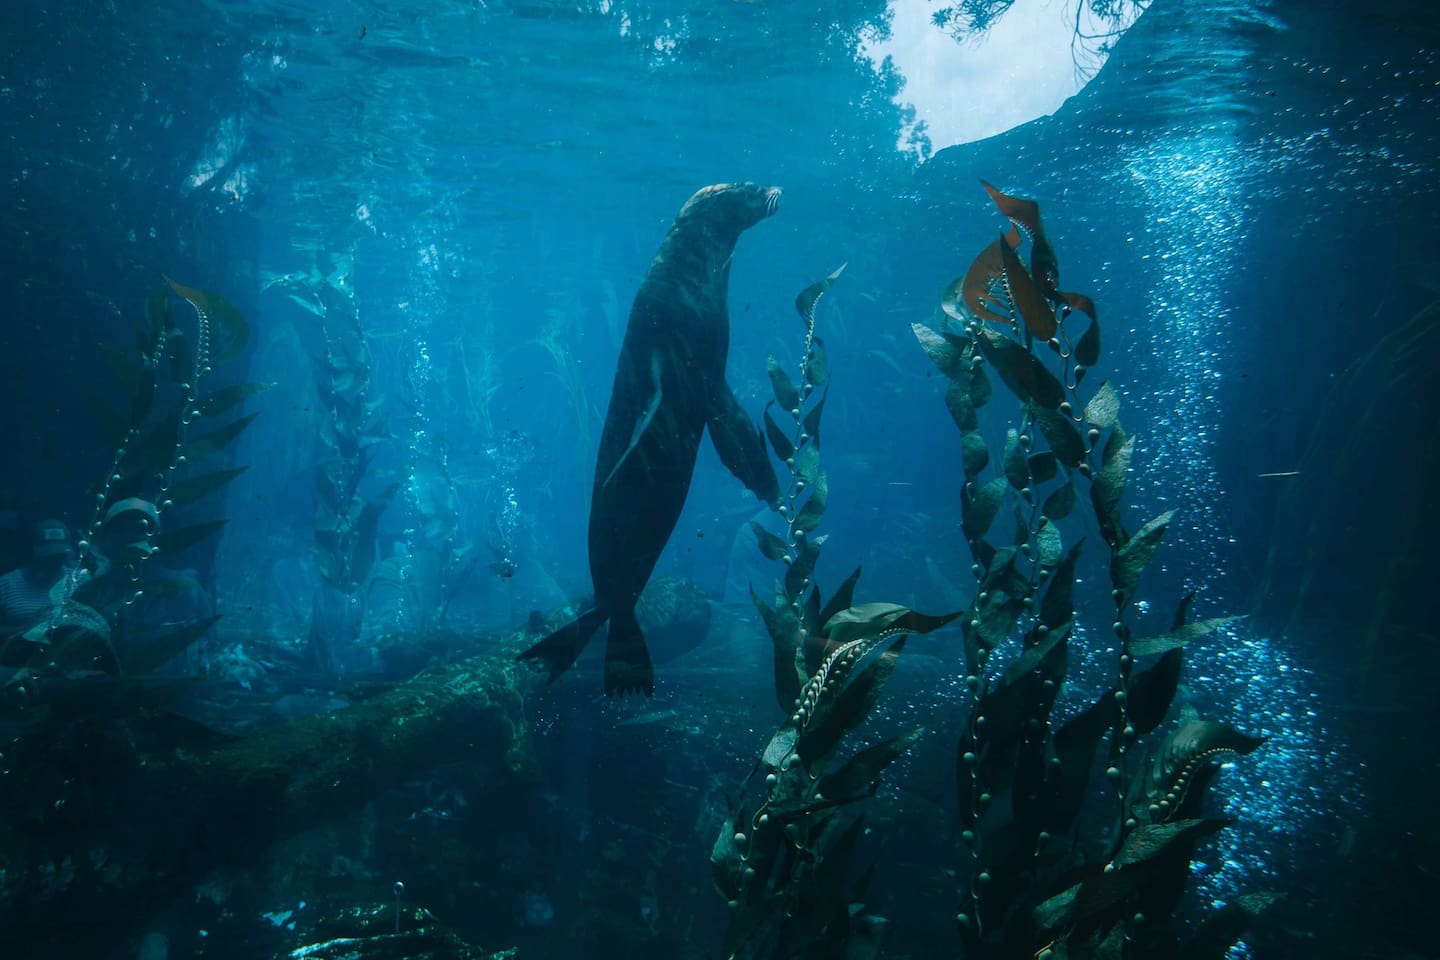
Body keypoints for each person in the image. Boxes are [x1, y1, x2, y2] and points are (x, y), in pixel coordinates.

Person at [0, 518, 73, 642]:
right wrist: (23, 630)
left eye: (59, 556)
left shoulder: (82, 580)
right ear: (31, 552)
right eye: (48, 557)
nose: (54, 562)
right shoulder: (5, 585)